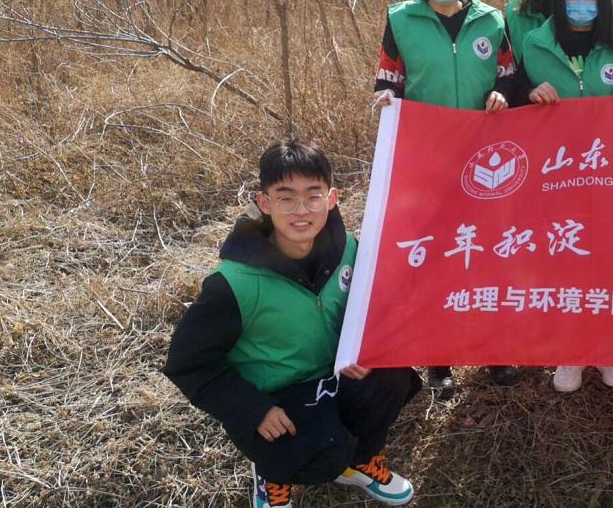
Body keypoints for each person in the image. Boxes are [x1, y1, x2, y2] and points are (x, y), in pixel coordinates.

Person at [163, 141, 422, 508]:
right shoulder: (234, 283)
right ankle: (272, 474)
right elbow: (187, 363)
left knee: (391, 376)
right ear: (265, 203)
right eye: (286, 198)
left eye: (313, 196)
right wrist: (253, 410)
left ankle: (361, 460)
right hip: (279, 394)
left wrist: (364, 350)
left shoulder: (349, 249)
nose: (302, 211)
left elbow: (372, 309)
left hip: (334, 374)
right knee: (321, 455)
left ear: (332, 198)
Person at [371, 0, 519, 393]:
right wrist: (385, 99)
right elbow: (388, 80)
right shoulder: (400, 21)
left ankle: (495, 351)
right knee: (436, 254)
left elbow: (509, 75)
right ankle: (439, 357)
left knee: (488, 252)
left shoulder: (492, 20)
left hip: (487, 163)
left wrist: (502, 93)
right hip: (427, 160)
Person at [515, 0, 613, 391]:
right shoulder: (534, 45)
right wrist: (530, 93)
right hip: (557, 177)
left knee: (610, 264)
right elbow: (513, 96)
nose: (581, 0)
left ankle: (610, 350)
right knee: (564, 263)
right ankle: (570, 352)